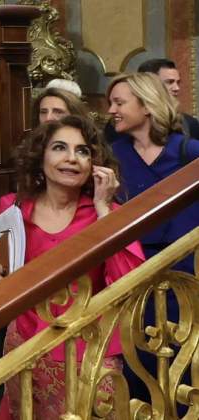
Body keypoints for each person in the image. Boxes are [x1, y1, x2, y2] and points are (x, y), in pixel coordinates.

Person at [0, 115, 145, 419]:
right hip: (25, 346)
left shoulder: (107, 214)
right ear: (40, 158)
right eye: (59, 148)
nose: (72, 158)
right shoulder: (13, 207)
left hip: (89, 352)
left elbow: (128, 279)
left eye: (82, 151)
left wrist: (105, 209)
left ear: (94, 163)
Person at [107, 72, 199, 411]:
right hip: (134, 278)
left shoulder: (189, 152)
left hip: (187, 279)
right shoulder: (112, 157)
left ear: (146, 105)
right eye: (110, 103)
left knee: (187, 367)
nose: (111, 111)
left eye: (119, 103)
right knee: (139, 364)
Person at [106, 58, 199, 143]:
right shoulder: (116, 125)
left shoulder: (190, 124)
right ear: (148, 86)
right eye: (169, 82)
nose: (176, 88)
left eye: (178, 82)